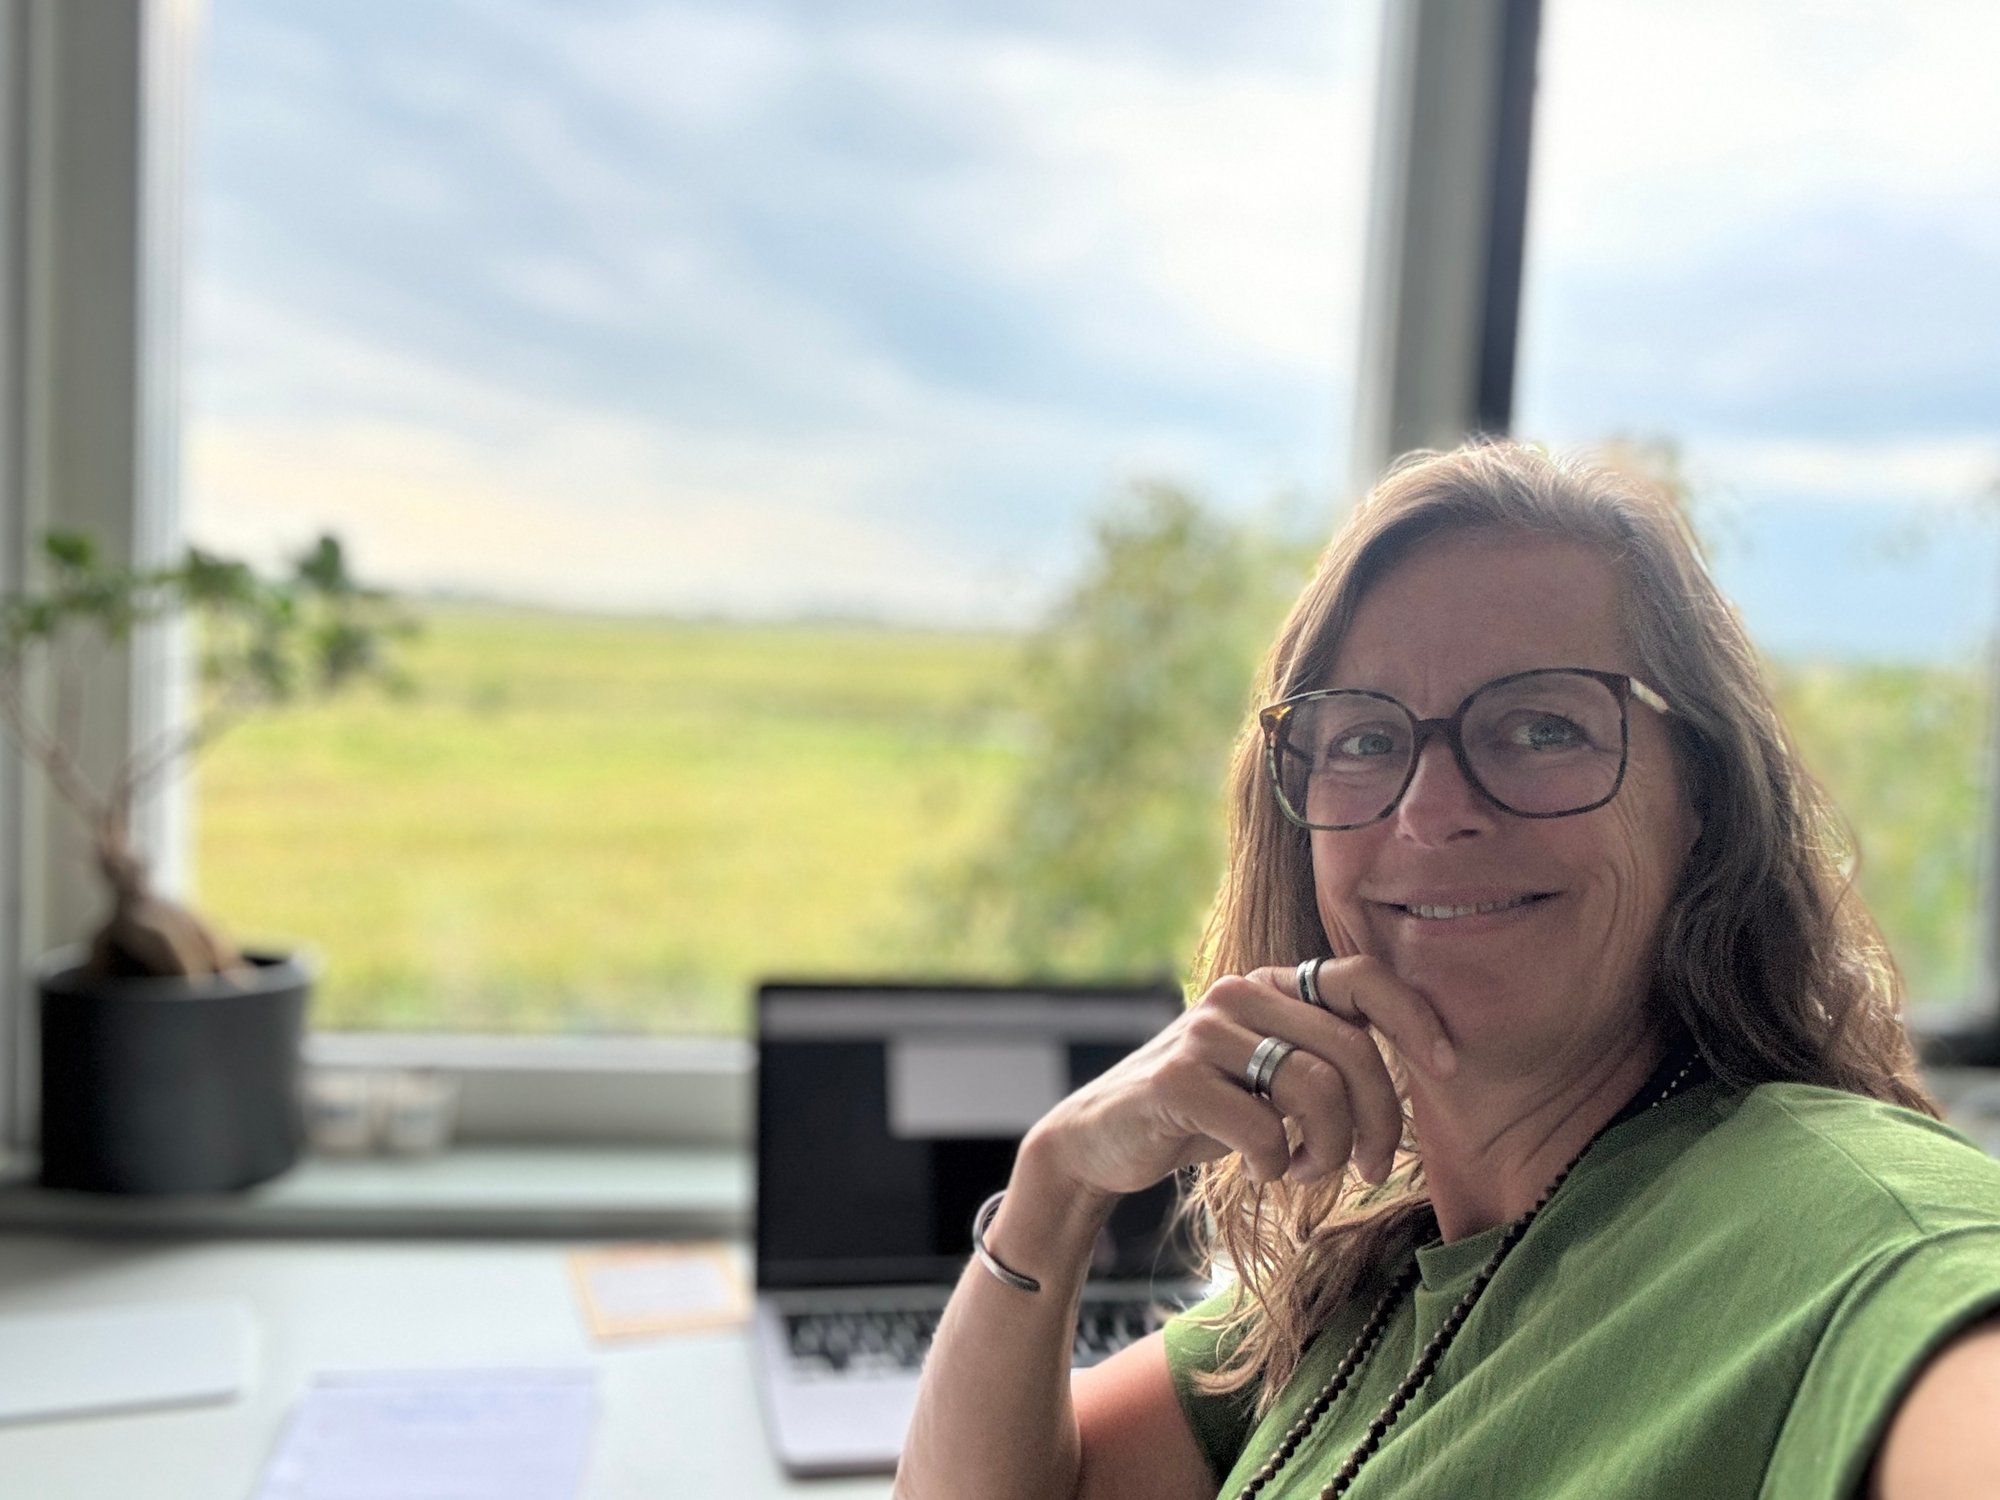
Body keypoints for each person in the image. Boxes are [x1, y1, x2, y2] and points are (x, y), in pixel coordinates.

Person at [894, 441, 2000, 1500]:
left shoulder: (1857, 1231)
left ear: (1701, 796)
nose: (1429, 815)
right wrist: (1056, 1184)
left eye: (1537, 728)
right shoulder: (1377, 1270)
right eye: (1366, 740)